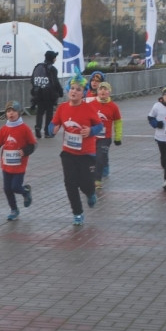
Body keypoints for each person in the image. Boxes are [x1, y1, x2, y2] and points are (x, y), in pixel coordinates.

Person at [49, 77, 103, 226]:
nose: (74, 92)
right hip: (68, 152)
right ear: (68, 90)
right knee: (70, 183)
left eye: (78, 90)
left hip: (86, 153)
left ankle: (90, 193)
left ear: (83, 93)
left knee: (85, 184)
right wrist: (52, 129)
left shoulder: (88, 108)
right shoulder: (62, 108)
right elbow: (53, 124)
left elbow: (99, 126)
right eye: (72, 88)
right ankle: (77, 213)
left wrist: (90, 131)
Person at [0, 101, 37, 221]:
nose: (11, 114)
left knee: (15, 187)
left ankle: (25, 191)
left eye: (14, 111)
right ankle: (14, 210)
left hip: (19, 165)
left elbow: (33, 144)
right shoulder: (4, 129)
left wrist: (25, 151)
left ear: (19, 113)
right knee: (7, 189)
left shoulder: (24, 128)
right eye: (8, 111)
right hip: (6, 164)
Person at [88, 81, 123, 190]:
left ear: (109, 92)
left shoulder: (113, 106)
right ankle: (89, 177)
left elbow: (118, 122)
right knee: (90, 159)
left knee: (100, 158)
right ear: (97, 91)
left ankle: (97, 180)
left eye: (105, 89)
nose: (103, 91)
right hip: (92, 137)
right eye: (100, 89)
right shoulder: (91, 104)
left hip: (105, 138)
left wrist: (118, 137)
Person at [31, 50, 64, 139]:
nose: (55, 59)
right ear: (52, 58)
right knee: (49, 113)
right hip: (49, 94)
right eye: (55, 57)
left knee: (40, 112)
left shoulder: (38, 67)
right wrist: (60, 91)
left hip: (38, 93)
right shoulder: (52, 69)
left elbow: (32, 80)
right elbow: (55, 82)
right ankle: (47, 132)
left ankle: (38, 127)